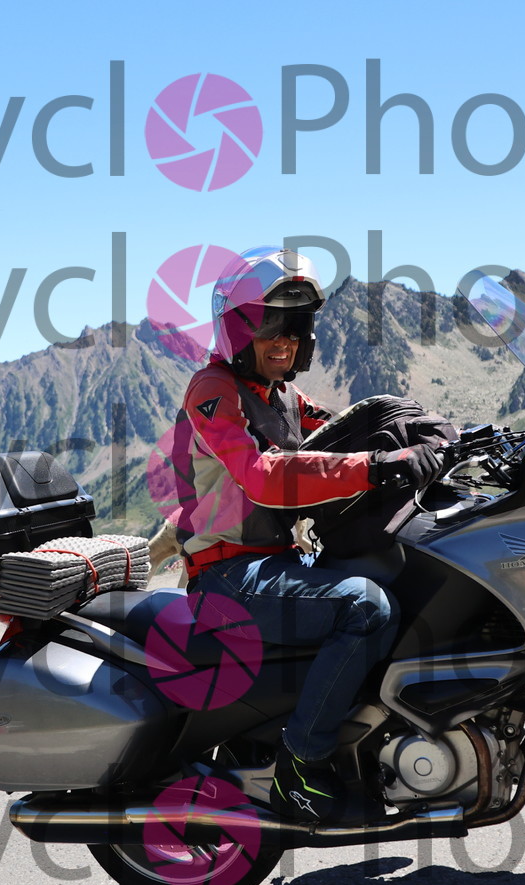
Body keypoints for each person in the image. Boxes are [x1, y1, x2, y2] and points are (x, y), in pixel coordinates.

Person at [165, 247, 441, 823]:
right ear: (238, 328)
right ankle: (301, 762)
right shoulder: (213, 392)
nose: (284, 341)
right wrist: (374, 467)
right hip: (227, 578)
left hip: (278, 564)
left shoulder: (284, 397)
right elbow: (262, 475)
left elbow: (343, 428)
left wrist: (434, 437)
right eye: (270, 326)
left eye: (294, 327)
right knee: (366, 608)